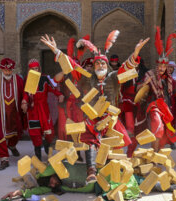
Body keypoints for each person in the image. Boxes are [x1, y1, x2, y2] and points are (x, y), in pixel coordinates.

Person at [41, 32, 149, 183]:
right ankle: (91, 172)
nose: (100, 65)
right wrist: (56, 50)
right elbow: (72, 66)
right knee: (90, 141)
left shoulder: (114, 77)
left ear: (107, 66)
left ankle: (114, 177)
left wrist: (136, 52)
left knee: (115, 148)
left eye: (103, 63)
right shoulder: (87, 77)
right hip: (92, 118)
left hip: (110, 119)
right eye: (97, 63)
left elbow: (126, 67)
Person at [136, 27, 176, 152]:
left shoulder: (170, 79)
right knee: (158, 127)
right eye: (160, 65)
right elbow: (139, 90)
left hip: (167, 108)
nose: (163, 68)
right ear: (157, 65)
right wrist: (144, 84)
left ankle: (157, 155)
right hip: (154, 106)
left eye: (165, 66)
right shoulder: (149, 75)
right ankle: (154, 155)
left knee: (164, 134)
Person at [21, 58, 64, 161]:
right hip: (33, 110)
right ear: (29, 70)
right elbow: (26, 94)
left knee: (49, 132)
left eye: (36, 68)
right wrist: (24, 102)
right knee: (35, 133)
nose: (35, 70)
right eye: (33, 69)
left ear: (39, 68)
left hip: (43, 109)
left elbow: (52, 88)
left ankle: (47, 143)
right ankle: (38, 156)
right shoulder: (28, 79)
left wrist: (59, 94)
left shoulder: (44, 78)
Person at [119, 57, 148, 157]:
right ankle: (129, 153)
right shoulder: (127, 73)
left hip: (139, 102)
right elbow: (120, 86)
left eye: (136, 63)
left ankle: (132, 152)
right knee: (130, 127)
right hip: (127, 101)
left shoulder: (144, 73)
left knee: (138, 128)